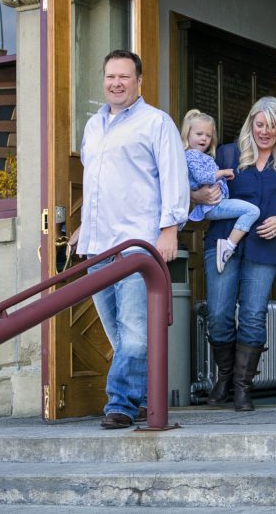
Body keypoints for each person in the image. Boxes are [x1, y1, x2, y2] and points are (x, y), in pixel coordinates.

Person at [71, 49, 189, 429]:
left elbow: (174, 177)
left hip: (137, 245)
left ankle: (120, 404)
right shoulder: (93, 126)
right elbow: (98, 184)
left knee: (137, 334)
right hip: (97, 245)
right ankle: (140, 398)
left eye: (124, 76)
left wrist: (169, 228)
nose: (116, 83)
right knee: (119, 336)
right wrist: (82, 228)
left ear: (139, 81)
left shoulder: (157, 123)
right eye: (110, 77)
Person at [192, 96, 276, 411]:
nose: (265, 131)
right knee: (219, 313)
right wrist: (197, 194)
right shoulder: (227, 153)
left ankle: (242, 388)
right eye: (260, 124)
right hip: (223, 240)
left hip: (265, 246)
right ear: (251, 122)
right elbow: (193, 179)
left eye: (273, 126)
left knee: (253, 314)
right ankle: (225, 376)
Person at [181, 109, 260, 273]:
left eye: (208, 135)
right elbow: (203, 177)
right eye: (199, 134)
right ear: (187, 134)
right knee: (252, 211)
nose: (204, 138)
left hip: (217, 203)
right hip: (214, 205)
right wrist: (223, 173)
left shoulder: (202, 156)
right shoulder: (191, 155)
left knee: (250, 211)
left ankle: (228, 245)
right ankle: (228, 246)